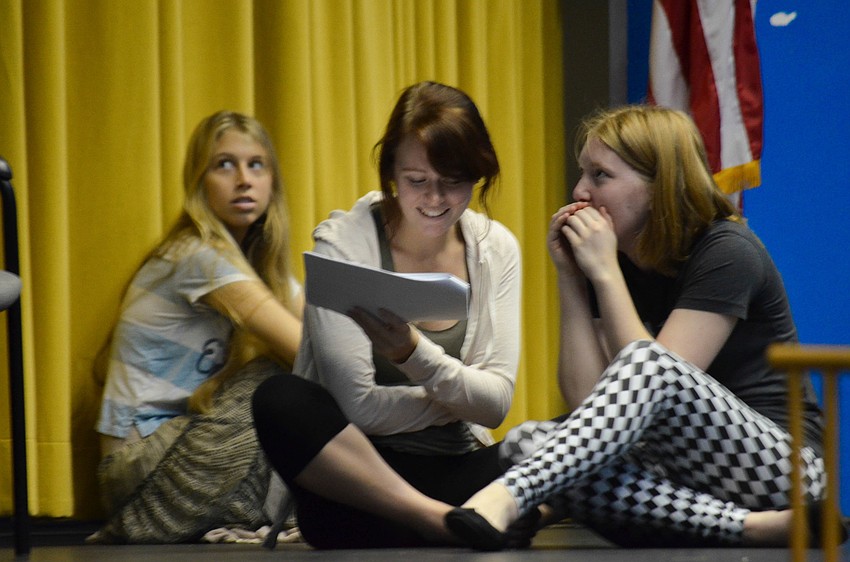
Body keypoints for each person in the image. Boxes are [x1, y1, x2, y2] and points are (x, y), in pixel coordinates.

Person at [444, 104, 835, 550]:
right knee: (527, 442)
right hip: (685, 475)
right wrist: (572, 278)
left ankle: (509, 493)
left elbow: (656, 389)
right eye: (583, 174)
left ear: (657, 186)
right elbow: (591, 404)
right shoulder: (615, 258)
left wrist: (605, 273)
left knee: (650, 362)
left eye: (600, 176)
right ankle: (750, 528)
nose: (579, 190)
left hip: (782, 469)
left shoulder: (727, 251)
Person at [252, 80, 522, 549]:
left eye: (453, 182)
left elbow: (496, 404)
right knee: (279, 399)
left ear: (478, 176)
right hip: (362, 484)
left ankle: (457, 520)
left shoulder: (495, 248)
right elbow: (357, 406)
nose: (435, 200)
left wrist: (412, 353)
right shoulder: (344, 245)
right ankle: (439, 522)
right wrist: (454, 398)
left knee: (573, 437)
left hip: (459, 472)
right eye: (417, 181)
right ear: (391, 173)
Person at [92, 110, 303, 542]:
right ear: (199, 183)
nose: (243, 179)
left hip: (184, 454)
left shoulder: (259, 270)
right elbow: (310, 349)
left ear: (272, 183)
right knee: (278, 378)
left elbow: (325, 333)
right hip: (141, 475)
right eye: (224, 164)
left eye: (256, 164)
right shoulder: (197, 256)